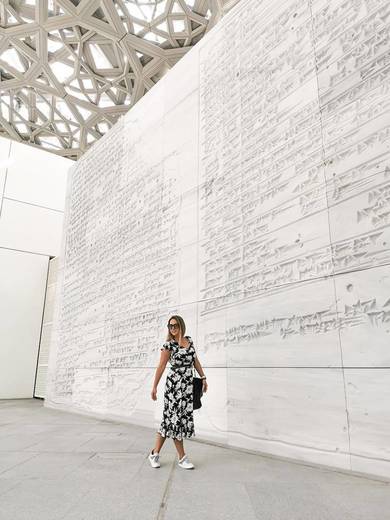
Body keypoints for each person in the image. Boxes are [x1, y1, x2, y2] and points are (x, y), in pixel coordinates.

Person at [148, 315, 208, 469]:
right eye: (170, 326)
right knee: (175, 420)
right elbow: (161, 367)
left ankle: (154, 453)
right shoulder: (169, 346)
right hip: (174, 388)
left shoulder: (189, 341)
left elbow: (196, 361)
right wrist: (154, 386)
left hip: (187, 388)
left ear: (181, 325)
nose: (172, 328)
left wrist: (203, 377)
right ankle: (182, 458)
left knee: (169, 421)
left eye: (175, 325)